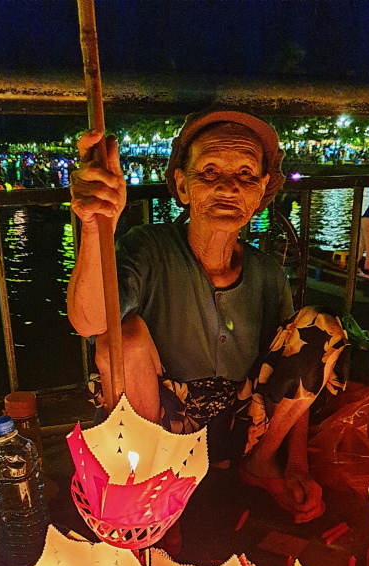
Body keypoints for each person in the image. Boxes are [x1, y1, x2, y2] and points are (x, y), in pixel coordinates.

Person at [67, 109, 349, 523]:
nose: (228, 187)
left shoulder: (267, 273)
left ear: (262, 191)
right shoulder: (148, 247)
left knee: (320, 327)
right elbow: (89, 322)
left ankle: (259, 464)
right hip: (157, 432)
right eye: (210, 171)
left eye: (246, 175)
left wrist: (297, 465)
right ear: (182, 185)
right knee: (122, 336)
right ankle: (152, 494)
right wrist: (96, 229)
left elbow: (294, 371)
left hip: (235, 431)